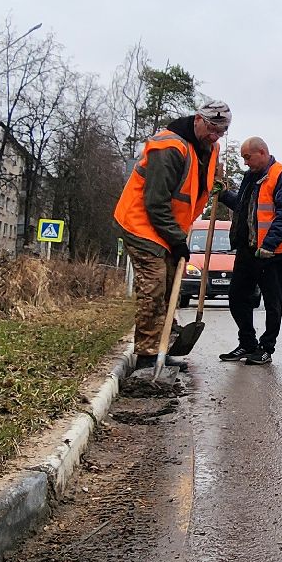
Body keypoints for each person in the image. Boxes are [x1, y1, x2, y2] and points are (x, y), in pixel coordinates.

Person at [113, 99, 231, 371]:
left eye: (221, 132)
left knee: (169, 285)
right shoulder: (169, 147)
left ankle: (164, 343)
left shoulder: (210, 148)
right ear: (198, 120)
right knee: (154, 285)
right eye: (212, 129)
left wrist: (214, 185)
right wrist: (177, 240)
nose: (214, 136)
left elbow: (198, 180)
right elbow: (155, 202)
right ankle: (147, 354)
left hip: (169, 229)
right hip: (141, 223)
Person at [216, 137, 282, 365]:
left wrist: (269, 245)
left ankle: (266, 349)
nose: (245, 163)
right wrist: (224, 194)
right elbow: (243, 207)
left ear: (263, 152)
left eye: (248, 157)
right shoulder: (250, 177)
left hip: (269, 253)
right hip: (247, 249)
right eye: (243, 158)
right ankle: (247, 343)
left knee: (272, 301)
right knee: (236, 297)